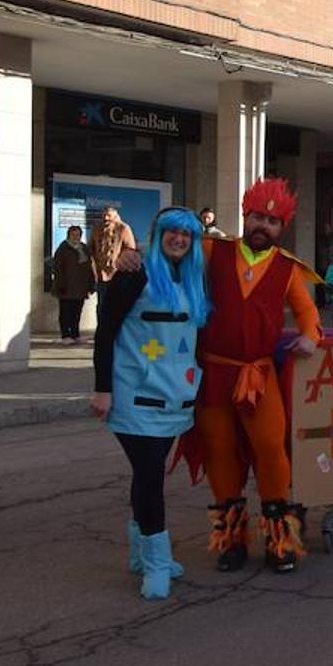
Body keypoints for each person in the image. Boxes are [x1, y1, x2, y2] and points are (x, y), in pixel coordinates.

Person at [187, 179, 320, 573]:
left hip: (259, 376)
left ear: (283, 227)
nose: (264, 225)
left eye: (273, 221)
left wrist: (311, 336)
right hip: (214, 373)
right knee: (220, 454)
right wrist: (129, 260)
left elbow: (308, 315)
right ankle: (231, 541)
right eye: (258, 217)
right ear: (246, 216)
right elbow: (170, 259)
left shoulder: (289, 269)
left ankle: (281, 542)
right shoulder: (212, 250)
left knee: (271, 451)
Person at [91, 207, 210, 600]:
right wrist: (102, 389)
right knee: (149, 475)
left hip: (177, 397)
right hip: (133, 393)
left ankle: (141, 553)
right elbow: (105, 331)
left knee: (149, 474)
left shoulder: (193, 277)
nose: (179, 239)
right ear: (157, 235)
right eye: (171, 232)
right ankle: (157, 560)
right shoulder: (133, 273)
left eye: (187, 234)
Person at [90, 206, 137, 315]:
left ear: (115, 216)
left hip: (118, 275)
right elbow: (90, 248)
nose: (106, 218)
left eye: (109, 216)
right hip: (101, 275)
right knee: (102, 305)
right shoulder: (97, 229)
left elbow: (131, 250)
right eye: (104, 215)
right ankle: (102, 330)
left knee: (117, 305)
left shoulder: (124, 228)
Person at [52, 225, 94, 343]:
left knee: (77, 312)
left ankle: (76, 335)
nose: (76, 237)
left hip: (80, 287)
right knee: (65, 312)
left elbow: (89, 267)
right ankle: (66, 335)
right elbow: (57, 268)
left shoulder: (84, 248)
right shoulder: (63, 249)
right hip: (66, 287)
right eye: (73, 235)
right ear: (68, 235)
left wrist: (91, 284)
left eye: (78, 235)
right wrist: (60, 284)